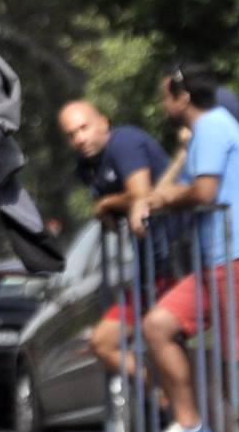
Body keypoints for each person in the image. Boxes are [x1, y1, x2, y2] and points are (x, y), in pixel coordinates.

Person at [136, 61, 239, 432]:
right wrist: (161, 194)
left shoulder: (214, 127)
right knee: (158, 325)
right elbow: (173, 187)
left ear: (182, 97)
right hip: (216, 265)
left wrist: (161, 201)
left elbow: (202, 192)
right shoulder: (202, 135)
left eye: (166, 96)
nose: (163, 105)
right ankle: (191, 426)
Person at [60, 100, 171, 375]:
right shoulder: (85, 167)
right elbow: (110, 213)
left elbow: (140, 193)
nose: (80, 139)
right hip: (148, 268)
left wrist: (107, 203)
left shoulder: (124, 142)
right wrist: (107, 208)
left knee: (159, 339)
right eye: (71, 134)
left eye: (84, 128)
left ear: (103, 122)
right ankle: (164, 402)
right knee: (103, 343)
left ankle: (176, 406)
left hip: (173, 258)